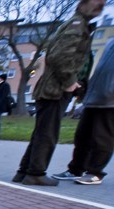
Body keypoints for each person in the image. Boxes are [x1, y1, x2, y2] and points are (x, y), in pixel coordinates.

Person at [13, 0, 104, 186]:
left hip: (52, 88)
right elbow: (60, 55)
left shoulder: (78, 25)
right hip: (55, 89)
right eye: (96, 2)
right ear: (82, 4)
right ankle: (35, 172)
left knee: (41, 132)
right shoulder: (77, 25)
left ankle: (24, 172)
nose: (100, 6)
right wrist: (70, 82)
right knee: (47, 133)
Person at [52, 38, 114, 185]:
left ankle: (95, 173)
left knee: (102, 138)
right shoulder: (110, 41)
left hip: (110, 100)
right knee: (82, 136)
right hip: (95, 96)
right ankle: (75, 169)